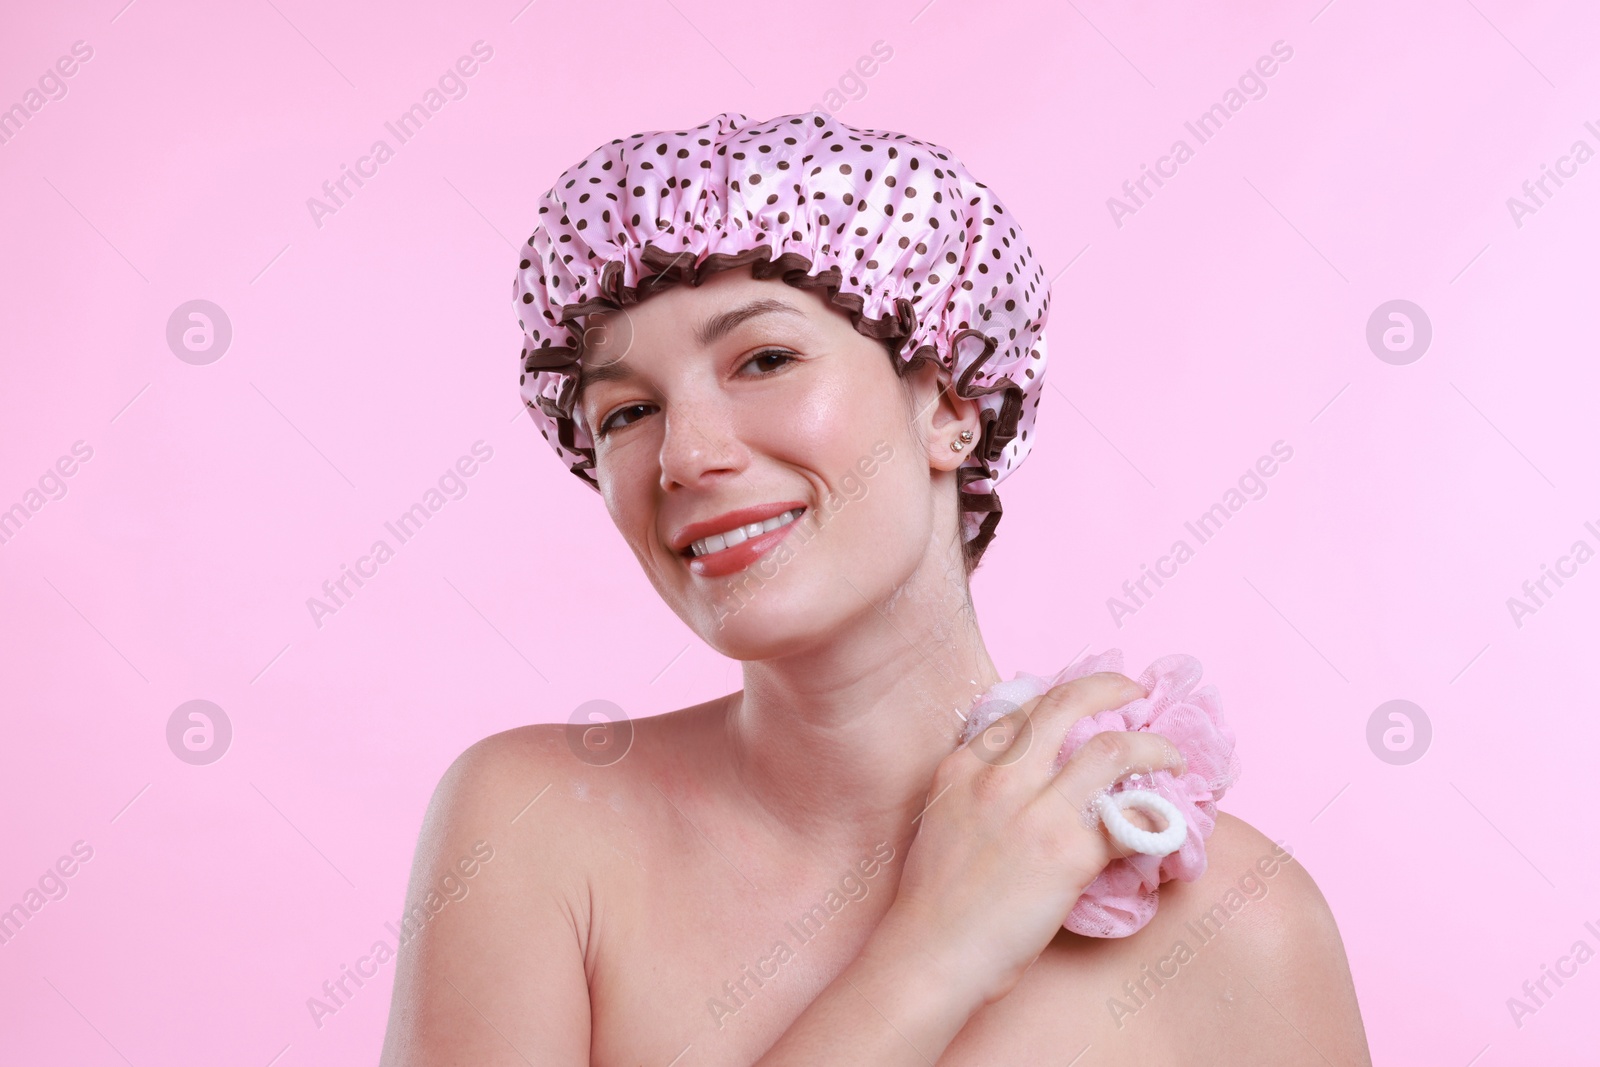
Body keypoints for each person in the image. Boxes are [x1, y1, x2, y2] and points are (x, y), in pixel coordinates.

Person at [380, 111, 1370, 1065]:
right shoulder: (536, 832)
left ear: (948, 405)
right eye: (627, 412)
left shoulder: (1235, 921)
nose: (682, 456)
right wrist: (936, 951)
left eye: (764, 358)